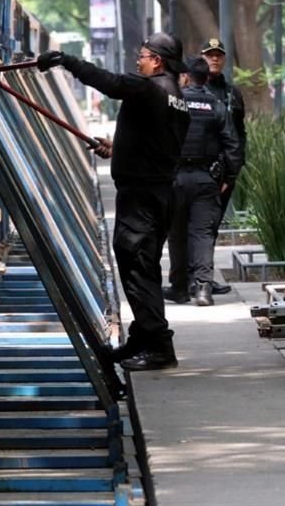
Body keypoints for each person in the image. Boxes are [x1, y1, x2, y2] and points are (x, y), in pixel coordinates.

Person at [37, 33, 190, 371]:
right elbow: (156, 144)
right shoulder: (177, 97)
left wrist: (67, 61)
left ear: (158, 60)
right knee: (142, 266)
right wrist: (117, 148)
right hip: (157, 193)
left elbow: (110, 83)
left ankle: (159, 346)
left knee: (137, 267)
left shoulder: (151, 88)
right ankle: (142, 337)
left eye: (143, 55)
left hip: (142, 197)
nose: (138, 61)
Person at [165, 57, 243, 307]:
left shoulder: (174, 102)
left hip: (174, 179)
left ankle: (179, 288)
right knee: (203, 234)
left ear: (185, 76)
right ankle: (203, 290)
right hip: (206, 179)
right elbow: (233, 145)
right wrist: (228, 178)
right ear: (204, 77)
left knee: (176, 233)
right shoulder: (217, 105)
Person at [199, 38, 247, 295]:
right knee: (200, 227)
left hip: (225, 173)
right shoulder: (194, 92)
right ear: (202, 58)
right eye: (209, 55)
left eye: (218, 55)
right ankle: (197, 278)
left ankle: (203, 278)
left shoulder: (232, 93)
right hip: (200, 170)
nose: (214, 59)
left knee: (212, 227)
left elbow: (240, 133)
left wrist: (235, 169)